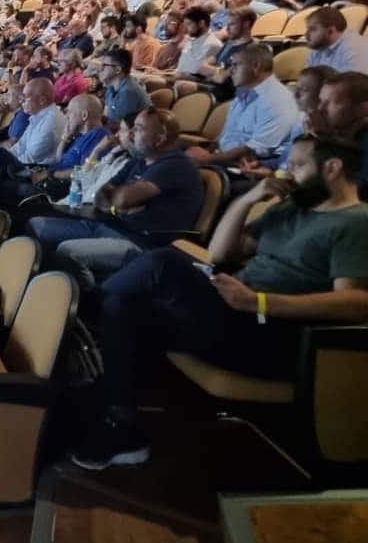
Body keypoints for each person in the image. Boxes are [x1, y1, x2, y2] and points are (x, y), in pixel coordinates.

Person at [73, 134, 368, 470]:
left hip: (273, 334)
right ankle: (121, 425)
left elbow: (354, 302)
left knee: (162, 264)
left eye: (298, 165)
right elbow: (220, 253)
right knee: (125, 308)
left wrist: (260, 302)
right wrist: (247, 201)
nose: (286, 172)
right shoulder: (293, 207)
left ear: (332, 168)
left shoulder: (356, 222)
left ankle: (79, 314)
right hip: (233, 311)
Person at [29, 108, 203, 282]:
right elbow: (101, 194)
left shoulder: (176, 165)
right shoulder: (138, 160)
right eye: (133, 127)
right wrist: (116, 208)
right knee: (35, 225)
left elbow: (123, 198)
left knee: (68, 251)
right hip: (107, 224)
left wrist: (118, 198)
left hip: (138, 242)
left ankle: (90, 299)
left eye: (139, 128)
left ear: (160, 138)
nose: (132, 133)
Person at [186, 44, 299, 165]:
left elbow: (253, 151)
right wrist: (206, 152)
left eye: (236, 65)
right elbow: (225, 137)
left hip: (250, 168)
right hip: (223, 159)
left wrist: (207, 159)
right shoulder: (242, 94)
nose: (230, 71)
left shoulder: (278, 100)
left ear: (256, 66)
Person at [305, 6, 368, 74]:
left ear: (331, 31)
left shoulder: (355, 48)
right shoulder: (318, 49)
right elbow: (307, 81)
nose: (306, 34)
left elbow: (356, 84)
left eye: (312, 29)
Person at [98, 49, 150, 128]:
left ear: (118, 70)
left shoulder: (128, 92)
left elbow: (114, 126)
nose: (100, 69)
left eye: (104, 65)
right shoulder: (112, 86)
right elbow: (106, 113)